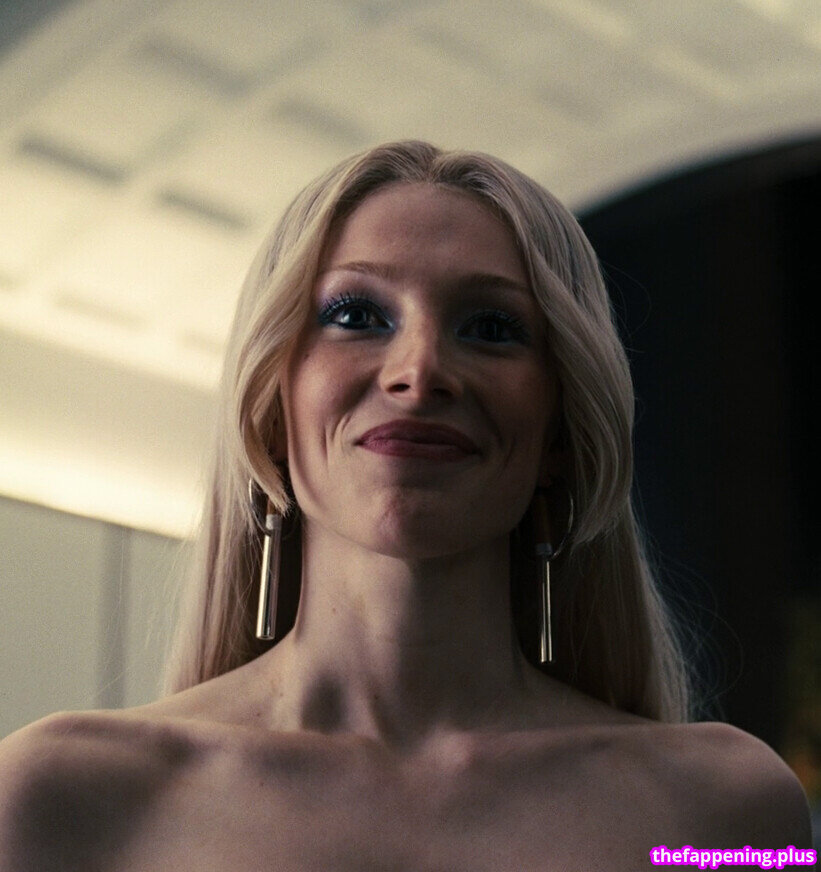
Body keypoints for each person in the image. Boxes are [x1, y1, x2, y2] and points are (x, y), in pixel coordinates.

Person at [0, 141, 812, 870]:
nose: (419, 372)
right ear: (270, 408)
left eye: (490, 327)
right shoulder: (56, 798)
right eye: (356, 315)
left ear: (561, 434)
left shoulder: (722, 813)